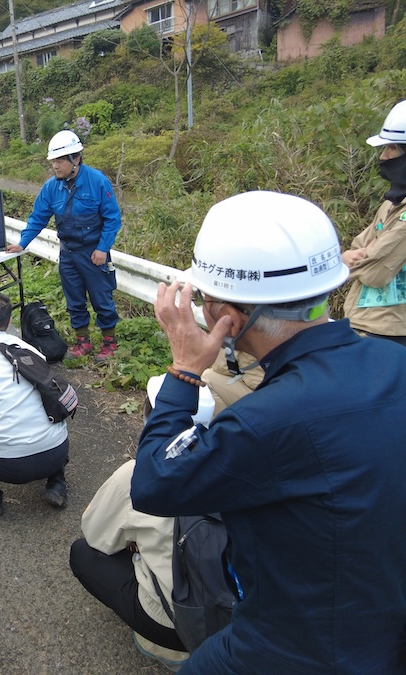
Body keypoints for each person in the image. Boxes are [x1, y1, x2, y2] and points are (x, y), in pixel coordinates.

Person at [130, 190, 406, 673]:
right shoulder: (395, 361)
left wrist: (184, 370)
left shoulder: (264, 421)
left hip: (298, 648)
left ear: (229, 319)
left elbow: (154, 483)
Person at [6, 130, 122, 364]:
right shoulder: (51, 188)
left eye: (60, 161)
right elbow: (38, 217)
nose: (55, 166)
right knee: (74, 299)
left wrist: (103, 248)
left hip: (93, 253)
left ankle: (109, 343)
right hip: (68, 252)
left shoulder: (97, 181)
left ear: (75, 159)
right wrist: (22, 243)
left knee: (102, 298)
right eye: (53, 162)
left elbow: (113, 218)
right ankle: (83, 341)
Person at [70, 460, 188, 672]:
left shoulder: (141, 472)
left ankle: (167, 649)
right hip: (244, 627)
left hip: (176, 626)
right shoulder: (262, 480)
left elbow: (96, 535)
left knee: (82, 553)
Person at [0, 291, 70, 515]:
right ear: (9, 321)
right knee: (47, 406)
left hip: (6, 467)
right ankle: (57, 483)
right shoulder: (29, 350)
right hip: (57, 451)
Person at [342, 99, 406, 346]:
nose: (383, 156)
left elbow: (375, 272)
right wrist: (349, 256)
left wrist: (345, 263)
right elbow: (359, 245)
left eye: (391, 149)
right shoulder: (392, 203)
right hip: (365, 324)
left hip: (390, 332)